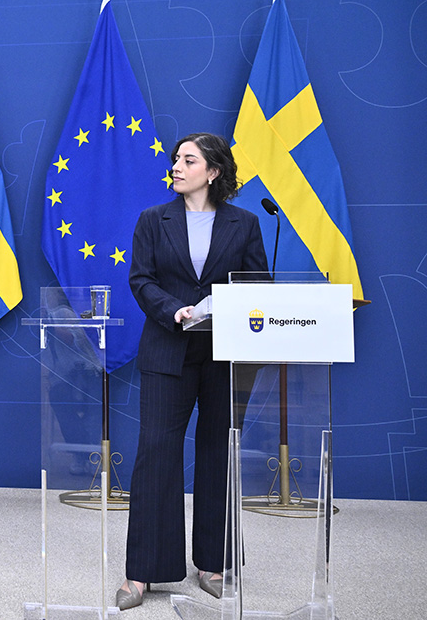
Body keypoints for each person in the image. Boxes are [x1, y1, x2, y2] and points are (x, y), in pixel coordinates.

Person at [117, 133, 268, 609]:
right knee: (155, 454)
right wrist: (176, 311)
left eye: (188, 160)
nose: (176, 166)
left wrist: (224, 305)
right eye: (175, 159)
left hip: (224, 354)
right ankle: (142, 573)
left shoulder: (243, 224)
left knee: (216, 454)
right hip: (168, 347)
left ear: (214, 171)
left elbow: (255, 282)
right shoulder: (152, 220)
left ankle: (213, 563)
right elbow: (140, 279)